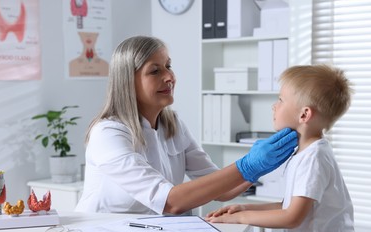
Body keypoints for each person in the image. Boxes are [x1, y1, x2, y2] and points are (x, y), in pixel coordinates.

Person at [75, 35, 297, 215]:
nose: (169, 76)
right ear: (127, 81)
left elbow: (218, 189)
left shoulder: (173, 124)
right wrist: (246, 165)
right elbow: (170, 202)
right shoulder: (108, 134)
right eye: (155, 70)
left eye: (168, 66)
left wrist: (256, 169)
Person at [206, 64, 359, 232]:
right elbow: (288, 207)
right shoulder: (305, 152)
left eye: (280, 100)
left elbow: (291, 217)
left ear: (304, 114)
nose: (274, 106)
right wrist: (244, 208)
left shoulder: (314, 159)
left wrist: (239, 218)